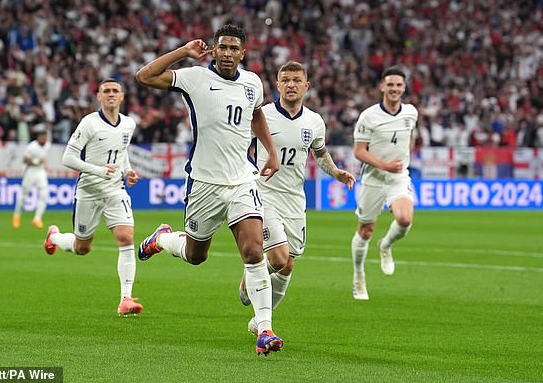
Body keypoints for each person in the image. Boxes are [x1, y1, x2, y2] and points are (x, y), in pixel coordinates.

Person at [134, 23, 284, 355]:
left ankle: (265, 329)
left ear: (243, 53)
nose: (228, 53)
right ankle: (162, 239)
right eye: (222, 47)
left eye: (234, 48)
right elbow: (144, 76)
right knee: (195, 256)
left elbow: (256, 114)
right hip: (204, 183)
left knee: (254, 251)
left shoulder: (252, 83)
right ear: (214, 50)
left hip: (242, 180)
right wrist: (183, 52)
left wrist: (270, 151)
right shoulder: (195, 77)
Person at [238, 60, 356, 333]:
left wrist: (336, 172)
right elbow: (242, 147)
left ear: (306, 86)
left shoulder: (315, 121)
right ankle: (252, 277)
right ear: (277, 85)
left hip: (294, 199)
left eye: (296, 80)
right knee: (278, 258)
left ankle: (259, 321)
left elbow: (320, 152)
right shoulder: (261, 115)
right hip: (264, 193)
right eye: (285, 80)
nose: (291, 84)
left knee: (288, 265)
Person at [43, 78, 143, 317]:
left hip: (115, 190)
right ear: (98, 96)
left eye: (115, 91)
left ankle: (125, 299)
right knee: (82, 247)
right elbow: (68, 158)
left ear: (122, 96)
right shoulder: (89, 123)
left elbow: (122, 151)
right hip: (88, 190)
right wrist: (98, 170)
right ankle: (55, 237)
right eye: (106, 91)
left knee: (126, 237)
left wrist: (127, 171)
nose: (110, 94)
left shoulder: (129, 124)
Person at [351, 66, 418, 300]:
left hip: (398, 177)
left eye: (399, 85)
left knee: (405, 219)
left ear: (404, 87)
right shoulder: (368, 116)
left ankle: (386, 245)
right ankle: (358, 276)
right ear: (382, 87)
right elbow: (359, 152)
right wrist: (384, 164)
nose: (394, 89)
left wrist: (400, 161)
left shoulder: (411, 113)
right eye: (390, 84)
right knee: (365, 230)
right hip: (374, 178)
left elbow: (408, 138)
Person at [12, 124, 50, 229]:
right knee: (24, 195)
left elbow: (43, 157)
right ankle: (16, 216)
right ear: (38, 137)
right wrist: (36, 161)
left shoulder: (47, 145)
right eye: (43, 136)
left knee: (44, 194)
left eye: (46, 136)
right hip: (30, 171)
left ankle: (37, 218)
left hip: (40, 171)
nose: (45, 138)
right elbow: (25, 160)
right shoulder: (32, 146)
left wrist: (45, 165)